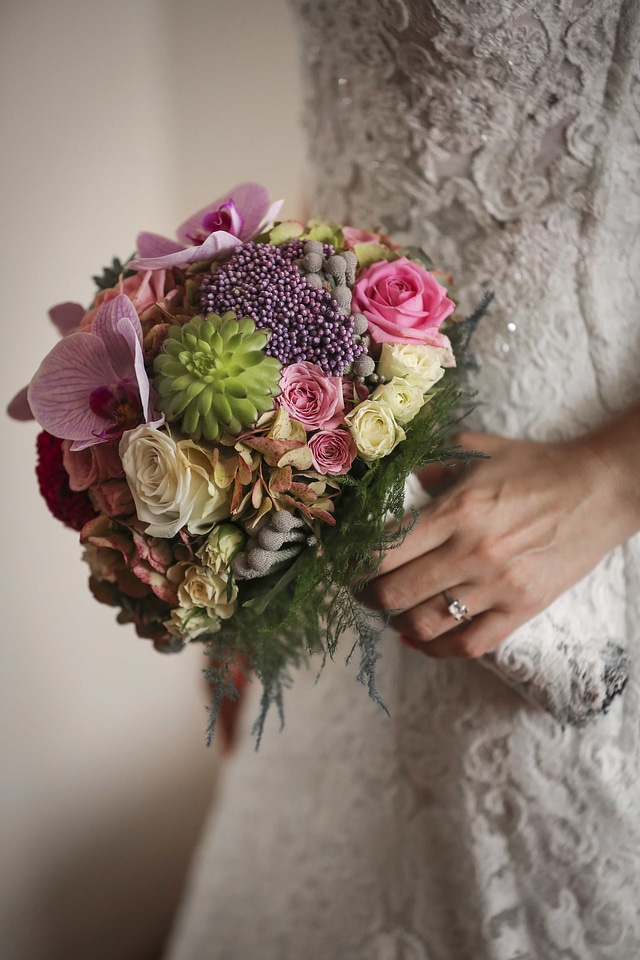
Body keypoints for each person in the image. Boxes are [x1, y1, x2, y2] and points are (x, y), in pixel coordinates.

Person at [164, 2, 640, 957]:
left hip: (574, 522)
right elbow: (357, 153)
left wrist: (608, 481)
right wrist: (252, 520)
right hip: (341, 504)